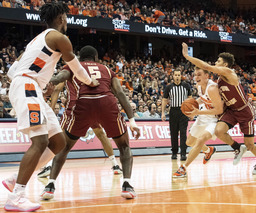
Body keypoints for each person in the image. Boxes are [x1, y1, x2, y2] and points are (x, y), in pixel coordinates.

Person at [2, 2, 99, 212]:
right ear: (62, 17)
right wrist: (91, 82)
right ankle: (16, 196)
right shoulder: (60, 38)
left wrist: (38, 83)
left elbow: (12, 72)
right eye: (66, 17)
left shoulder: (36, 40)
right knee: (40, 141)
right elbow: (77, 69)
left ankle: (14, 180)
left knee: (58, 141)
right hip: (28, 87)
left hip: (30, 86)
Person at [41, 45, 140, 200]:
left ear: (80, 58)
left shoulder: (74, 66)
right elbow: (119, 93)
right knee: (124, 146)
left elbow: (60, 78)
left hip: (83, 104)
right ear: (95, 58)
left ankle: (50, 186)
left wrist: (45, 82)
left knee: (64, 147)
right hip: (106, 103)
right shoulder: (107, 69)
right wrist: (132, 120)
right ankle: (127, 185)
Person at [182, 42, 256, 175]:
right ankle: (237, 148)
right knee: (219, 131)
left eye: (218, 61)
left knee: (250, 145)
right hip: (231, 111)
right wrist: (195, 105)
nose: (215, 62)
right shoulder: (219, 80)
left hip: (244, 111)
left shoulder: (229, 72)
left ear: (225, 64)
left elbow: (205, 66)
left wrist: (187, 56)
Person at [173, 67, 224, 178]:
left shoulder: (212, 88)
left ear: (207, 76)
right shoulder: (199, 86)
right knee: (190, 142)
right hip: (203, 115)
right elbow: (202, 98)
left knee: (200, 140)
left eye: (199, 74)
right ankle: (208, 150)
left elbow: (219, 110)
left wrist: (197, 112)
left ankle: (183, 168)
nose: (196, 77)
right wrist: (192, 106)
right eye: (195, 75)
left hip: (215, 118)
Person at [162, 68, 192, 161]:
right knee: (174, 133)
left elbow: (190, 99)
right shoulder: (169, 87)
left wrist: (191, 112)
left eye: (179, 75)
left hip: (183, 111)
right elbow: (164, 100)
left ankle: (183, 153)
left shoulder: (186, 86)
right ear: (173, 76)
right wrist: (163, 112)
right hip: (173, 111)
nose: (177, 77)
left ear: (181, 76)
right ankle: (174, 152)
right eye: (176, 75)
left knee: (183, 133)